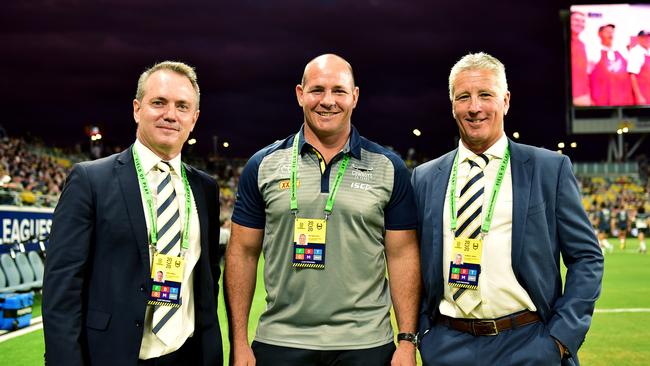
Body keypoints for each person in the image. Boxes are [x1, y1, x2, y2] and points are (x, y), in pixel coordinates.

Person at [225, 53, 421, 366]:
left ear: (354, 97)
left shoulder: (388, 167)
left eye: (339, 91)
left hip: (365, 344)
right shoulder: (263, 165)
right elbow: (242, 253)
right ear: (300, 94)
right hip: (280, 341)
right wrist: (239, 343)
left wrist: (407, 342)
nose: (327, 101)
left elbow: (402, 256)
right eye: (317, 90)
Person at [412, 52, 604, 366]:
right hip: (447, 345)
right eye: (464, 97)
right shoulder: (424, 178)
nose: (474, 107)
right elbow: (412, 263)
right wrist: (425, 335)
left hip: (528, 343)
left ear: (506, 100)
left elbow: (587, 257)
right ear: (452, 105)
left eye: (485, 95)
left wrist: (560, 338)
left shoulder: (548, 168)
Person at [42, 61, 223, 366]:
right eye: (158, 102)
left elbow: (206, 282)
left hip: (187, 355)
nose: (170, 114)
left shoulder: (205, 188)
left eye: (182, 106)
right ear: (137, 109)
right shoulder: (90, 180)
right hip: (113, 356)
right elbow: (62, 289)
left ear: (194, 119)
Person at [588, 24, 635, 106]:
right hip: (603, 101)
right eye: (607, 32)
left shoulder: (622, 51)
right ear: (599, 34)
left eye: (612, 32)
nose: (610, 34)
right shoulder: (593, 51)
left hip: (624, 100)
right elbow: (586, 76)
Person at [570, 11, 592, 106]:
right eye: (576, 20)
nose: (580, 23)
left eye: (583, 21)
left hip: (582, 95)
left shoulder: (582, 44)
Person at [628, 30, 650, 105]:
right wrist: (639, 96)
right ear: (639, 39)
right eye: (644, 37)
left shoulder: (647, 52)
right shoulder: (636, 52)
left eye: (648, 37)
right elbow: (632, 75)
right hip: (643, 96)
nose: (647, 40)